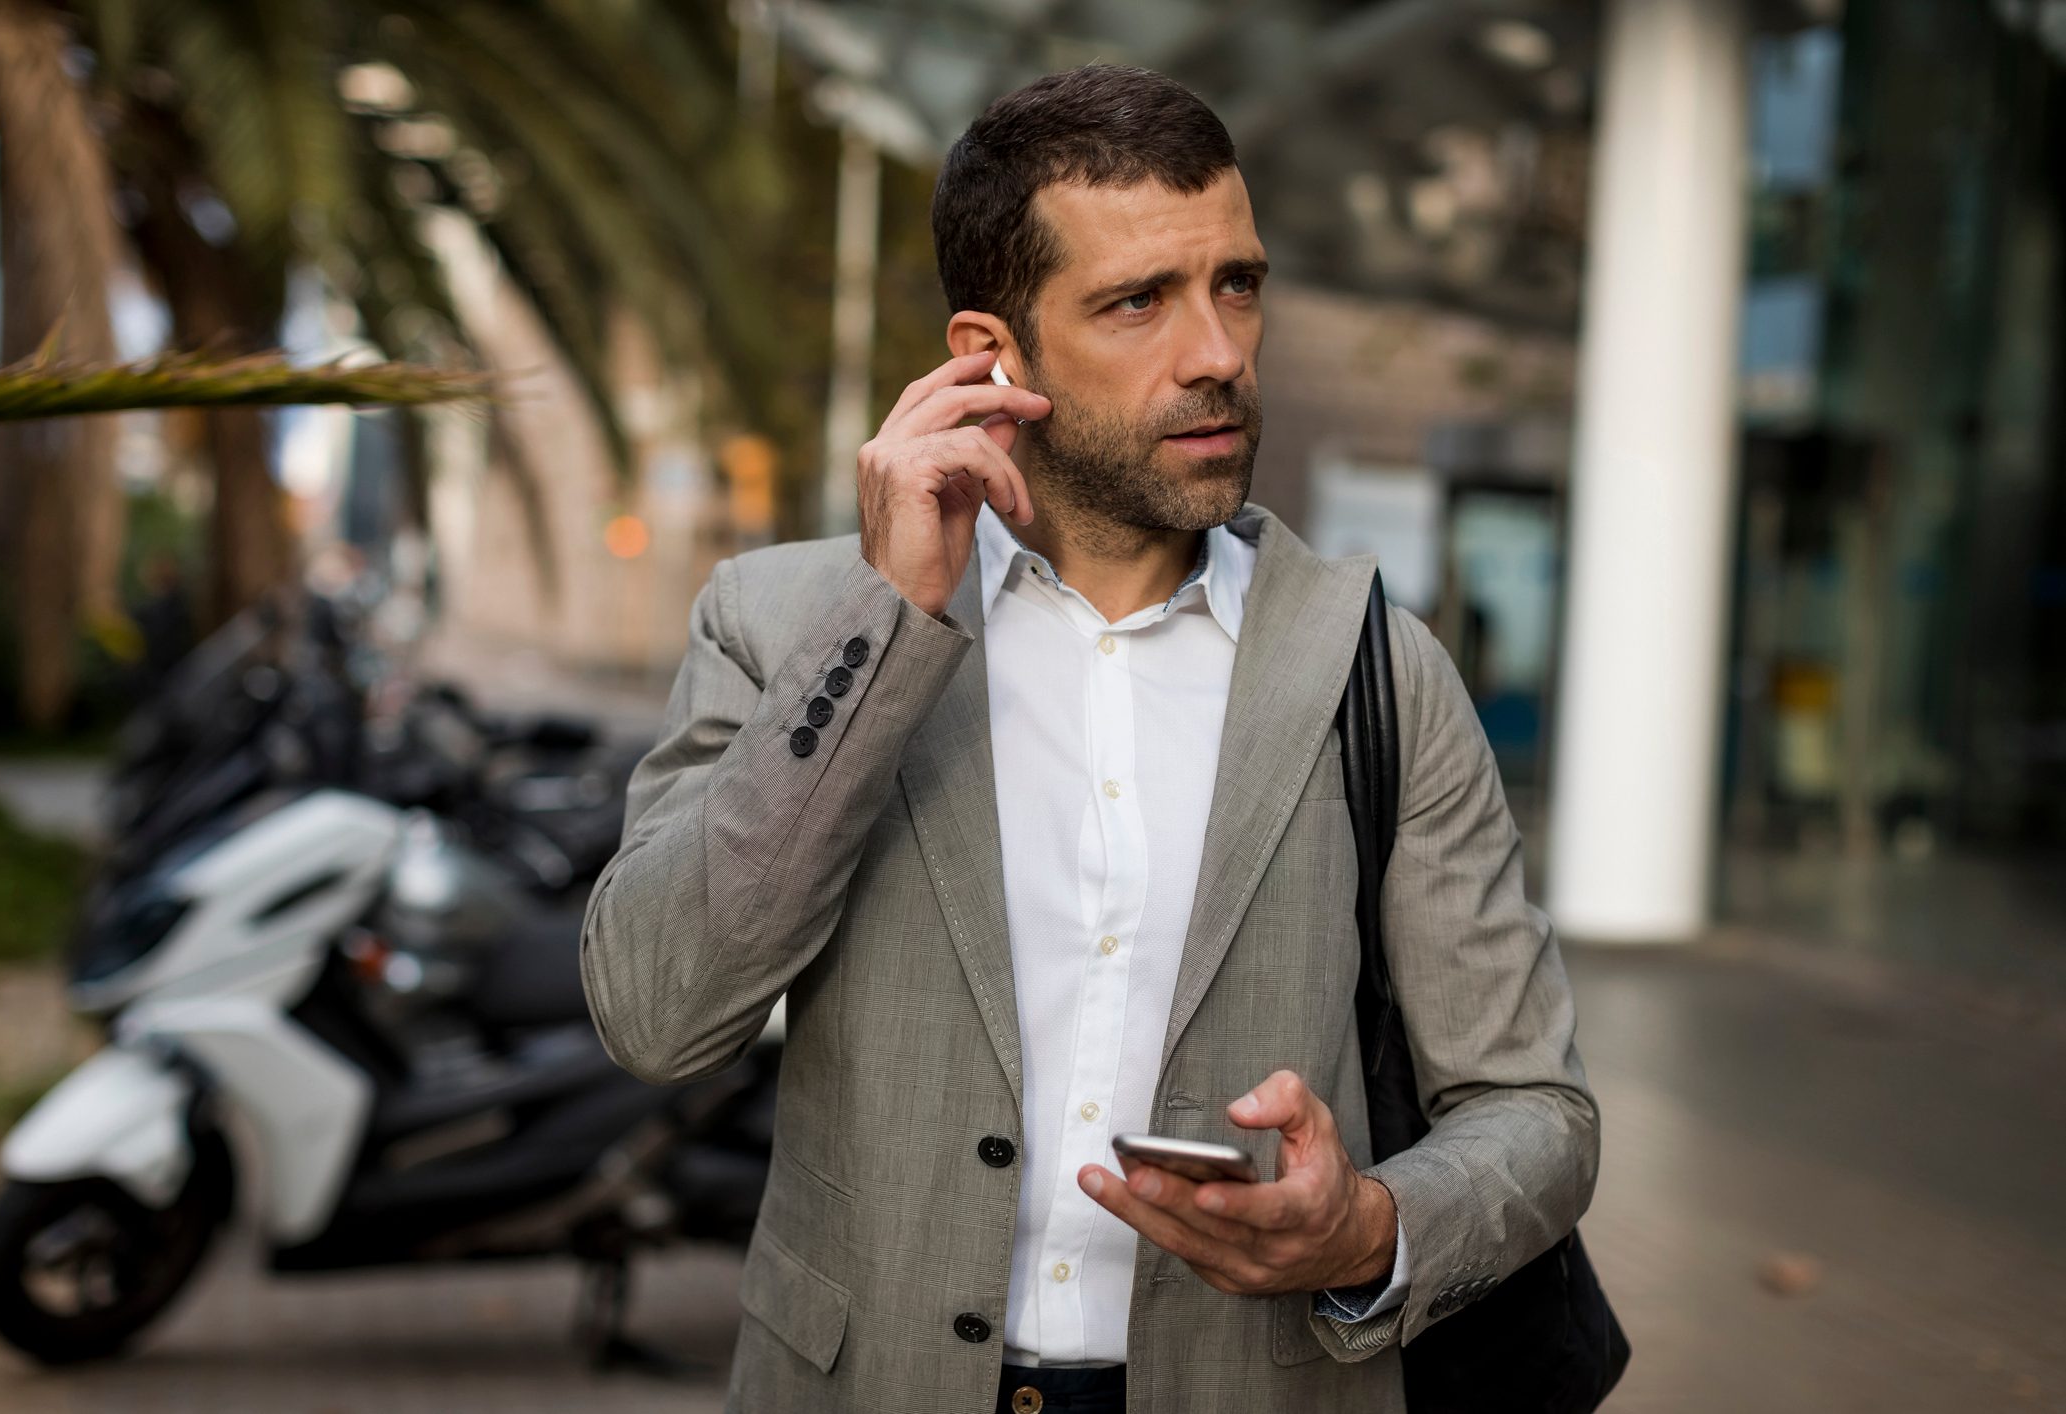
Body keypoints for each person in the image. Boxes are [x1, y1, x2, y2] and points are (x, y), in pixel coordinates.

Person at [580, 63, 1598, 1414]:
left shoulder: (1375, 668)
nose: (1218, 352)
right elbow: (656, 1010)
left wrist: (1365, 1226)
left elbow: (1537, 1108)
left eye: (1235, 284)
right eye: (1138, 302)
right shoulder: (780, 625)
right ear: (988, 354)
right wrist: (888, 620)